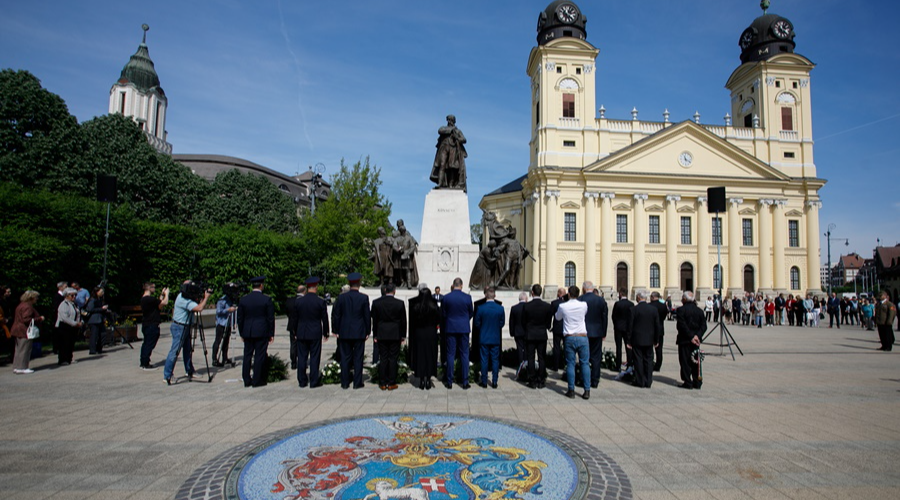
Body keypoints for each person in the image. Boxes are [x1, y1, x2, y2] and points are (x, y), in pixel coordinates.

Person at [164, 282, 211, 385]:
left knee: (187, 350)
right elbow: (199, 308)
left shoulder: (182, 295)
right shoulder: (184, 300)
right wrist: (206, 297)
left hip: (184, 326)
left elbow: (197, 305)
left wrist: (201, 297)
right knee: (175, 351)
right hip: (180, 327)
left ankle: (189, 370)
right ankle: (167, 375)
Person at [331, 272, 371, 389]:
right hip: (359, 332)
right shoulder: (363, 298)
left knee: (345, 357)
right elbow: (366, 316)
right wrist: (367, 331)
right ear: (359, 283)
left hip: (344, 331)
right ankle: (357, 382)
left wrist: (336, 330)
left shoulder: (342, 297)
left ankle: (344, 382)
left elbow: (337, 315)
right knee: (358, 358)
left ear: (349, 283)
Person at [237, 276, 275, 387]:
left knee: (247, 355)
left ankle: (246, 379)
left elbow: (240, 318)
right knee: (259, 355)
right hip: (261, 331)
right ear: (261, 285)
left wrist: (242, 332)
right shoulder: (266, 299)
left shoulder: (244, 299)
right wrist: (271, 333)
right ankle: (257, 380)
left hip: (248, 331)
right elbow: (270, 318)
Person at [292, 277, 330, 388]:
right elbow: (324, 318)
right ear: (316, 287)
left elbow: (295, 318)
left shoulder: (299, 302)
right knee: (314, 357)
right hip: (315, 332)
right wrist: (325, 332)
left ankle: (302, 381)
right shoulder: (320, 301)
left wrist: (295, 331)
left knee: (302, 357)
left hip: (302, 332)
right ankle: (314, 381)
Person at [556, 285, 590, 399]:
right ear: (579, 294)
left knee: (570, 363)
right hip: (582, 336)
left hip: (569, 337)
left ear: (569, 294)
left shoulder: (563, 306)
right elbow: (584, 314)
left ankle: (571, 390)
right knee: (584, 363)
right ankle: (586, 390)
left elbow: (557, 318)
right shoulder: (583, 305)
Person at [371, 282, 407, 390]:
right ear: (394, 291)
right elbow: (403, 321)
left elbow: (375, 320)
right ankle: (391, 383)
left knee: (383, 358)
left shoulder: (376, 302)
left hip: (381, 333)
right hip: (395, 334)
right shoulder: (399, 303)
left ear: (385, 290)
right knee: (393, 359)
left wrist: (375, 334)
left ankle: (382, 383)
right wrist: (403, 335)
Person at [441, 277, 473, 389]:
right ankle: (465, 382)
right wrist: (463, 321)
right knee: (464, 354)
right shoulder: (467, 297)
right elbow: (471, 313)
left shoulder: (446, 298)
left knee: (450, 354)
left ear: (453, 285)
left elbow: (443, 313)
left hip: (450, 328)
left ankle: (449, 381)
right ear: (461, 285)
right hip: (463, 328)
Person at [627, 291, 661, 389]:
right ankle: (648, 381)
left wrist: (628, 341)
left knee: (638, 360)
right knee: (649, 360)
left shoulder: (633, 309)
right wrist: (656, 340)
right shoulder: (653, 310)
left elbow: (630, 327)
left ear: (638, 298)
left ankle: (640, 381)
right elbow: (657, 326)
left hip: (637, 339)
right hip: (649, 340)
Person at [409, 283, 440, 389]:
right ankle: (428, 379)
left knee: (420, 356)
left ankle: (422, 380)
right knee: (430, 356)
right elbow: (438, 319)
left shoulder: (416, 306)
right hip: (431, 333)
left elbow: (412, 321)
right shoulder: (434, 305)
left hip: (419, 333)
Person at [522, 284, 553, 389]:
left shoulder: (526, 306)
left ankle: (532, 380)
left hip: (530, 335)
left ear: (532, 293)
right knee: (541, 358)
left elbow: (523, 321)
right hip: (541, 335)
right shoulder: (547, 306)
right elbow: (549, 322)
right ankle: (541, 380)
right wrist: (546, 327)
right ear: (541, 293)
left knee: (530, 358)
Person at [578, 281, 608, 389]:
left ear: (584, 289)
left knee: (584, 357)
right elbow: (604, 318)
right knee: (596, 357)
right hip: (597, 333)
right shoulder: (601, 300)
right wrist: (603, 333)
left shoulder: (580, 299)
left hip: (583, 332)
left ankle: (584, 380)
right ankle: (595, 380)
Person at [473, 287, 504, 389]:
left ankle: (484, 381)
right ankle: (494, 382)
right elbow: (501, 323)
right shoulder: (500, 308)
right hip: (495, 337)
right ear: (494, 295)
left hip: (484, 337)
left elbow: (477, 323)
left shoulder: (481, 308)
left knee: (484, 360)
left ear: (486, 295)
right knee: (495, 360)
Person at [675, 291, 706, 390]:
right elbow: (704, 326)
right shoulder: (699, 311)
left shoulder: (681, 310)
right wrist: (697, 336)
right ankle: (697, 382)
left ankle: (687, 382)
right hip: (696, 341)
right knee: (696, 361)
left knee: (685, 361)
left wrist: (691, 337)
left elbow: (682, 325)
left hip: (685, 340)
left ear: (684, 299)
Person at [430, 114, 468, 190]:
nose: (450, 121)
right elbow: (440, 130)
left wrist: (457, 137)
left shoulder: (458, 131)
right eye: (449, 120)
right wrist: (451, 130)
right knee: (442, 164)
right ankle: (440, 183)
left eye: (452, 120)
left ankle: (451, 184)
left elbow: (464, 140)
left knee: (452, 166)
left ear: (454, 121)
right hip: (443, 148)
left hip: (453, 149)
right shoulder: (444, 128)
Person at [10, 290, 43, 374]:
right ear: (31, 298)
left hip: (17, 329)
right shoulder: (27, 306)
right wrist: (39, 319)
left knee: (18, 349)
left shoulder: (21, 305)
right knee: (25, 349)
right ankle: (23, 367)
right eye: (36, 297)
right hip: (24, 330)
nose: (37, 299)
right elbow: (26, 319)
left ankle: (17, 367)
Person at [139, 282, 169, 370]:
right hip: (151, 324)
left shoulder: (146, 299)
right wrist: (167, 294)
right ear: (149, 288)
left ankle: (144, 362)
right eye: (154, 287)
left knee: (147, 343)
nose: (154, 289)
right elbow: (165, 303)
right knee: (149, 344)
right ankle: (145, 363)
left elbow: (159, 305)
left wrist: (162, 295)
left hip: (148, 324)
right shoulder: (148, 299)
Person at [55, 288, 81, 366]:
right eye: (72, 295)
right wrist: (74, 323)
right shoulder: (63, 304)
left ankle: (69, 358)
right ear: (66, 296)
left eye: (75, 295)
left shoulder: (74, 304)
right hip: (64, 326)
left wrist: (79, 322)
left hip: (72, 327)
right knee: (64, 343)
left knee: (70, 343)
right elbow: (64, 317)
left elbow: (77, 314)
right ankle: (63, 359)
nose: (74, 297)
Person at [611, 288, 634, 372]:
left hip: (618, 328)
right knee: (628, 347)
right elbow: (632, 317)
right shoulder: (631, 304)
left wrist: (616, 324)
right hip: (628, 329)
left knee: (618, 347)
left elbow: (613, 316)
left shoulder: (617, 304)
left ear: (620, 294)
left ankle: (618, 366)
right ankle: (629, 365)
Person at [284, 284, 306, 370]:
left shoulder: (290, 300)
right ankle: (301, 361)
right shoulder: (304, 300)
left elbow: (287, 312)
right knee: (303, 345)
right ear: (304, 291)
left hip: (292, 325)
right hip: (302, 325)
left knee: (293, 344)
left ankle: (293, 362)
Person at [85, 286, 109, 355]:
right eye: (101, 292)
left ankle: (99, 348)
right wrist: (101, 309)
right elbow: (90, 309)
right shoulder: (93, 299)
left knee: (103, 334)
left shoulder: (99, 299)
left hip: (100, 319)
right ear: (97, 292)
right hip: (94, 319)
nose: (102, 293)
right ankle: (92, 350)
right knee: (94, 335)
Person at [509, 291, 528, 378]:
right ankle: (526, 364)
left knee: (520, 349)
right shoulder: (529, 307)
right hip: (527, 332)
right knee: (527, 349)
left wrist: (512, 332)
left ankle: (521, 364)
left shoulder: (514, 308)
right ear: (526, 299)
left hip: (518, 332)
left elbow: (511, 321)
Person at [549, 287, 567, 372]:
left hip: (557, 328)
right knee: (567, 347)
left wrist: (549, 326)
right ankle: (565, 365)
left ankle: (555, 366)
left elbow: (550, 315)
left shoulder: (554, 303)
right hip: (566, 328)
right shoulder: (567, 303)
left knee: (556, 347)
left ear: (558, 294)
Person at [649, 291, 667, 371]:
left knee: (649, 348)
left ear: (652, 297)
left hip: (650, 330)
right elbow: (664, 316)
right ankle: (658, 365)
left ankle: (650, 363)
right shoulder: (663, 306)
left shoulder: (649, 305)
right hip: (660, 329)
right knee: (659, 349)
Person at [50, 281, 67, 355]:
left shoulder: (64, 296)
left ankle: (61, 347)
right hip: (58, 317)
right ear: (60, 287)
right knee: (57, 333)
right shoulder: (57, 296)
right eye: (65, 287)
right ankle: (56, 348)